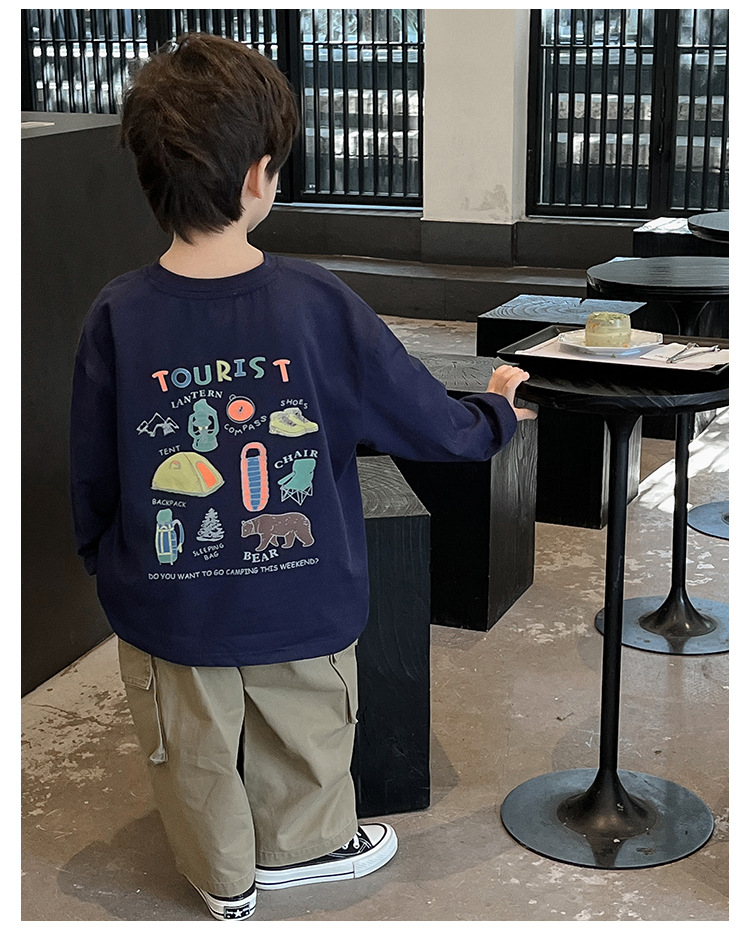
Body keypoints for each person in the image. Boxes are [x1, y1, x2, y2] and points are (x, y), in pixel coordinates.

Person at [69, 32, 536, 922]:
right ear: (259, 177)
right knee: (310, 720)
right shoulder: (319, 302)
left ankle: (224, 880)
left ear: (150, 175)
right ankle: (305, 847)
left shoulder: (116, 314)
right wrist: (495, 414)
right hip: (303, 591)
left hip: (171, 600)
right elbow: (418, 415)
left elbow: (92, 460)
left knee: (191, 746)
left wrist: (103, 553)